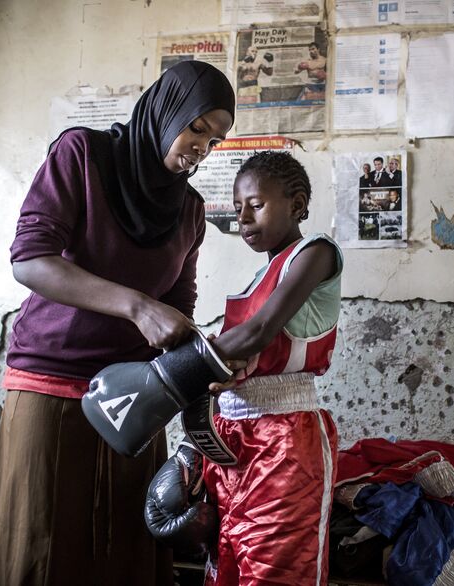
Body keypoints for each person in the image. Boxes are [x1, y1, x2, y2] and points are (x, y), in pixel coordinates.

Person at [0, 61, 236, 586]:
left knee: (124, 553)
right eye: (197, 129)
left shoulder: (188, 210)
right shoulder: (83, 155)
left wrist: (206, 377)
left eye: (215, 141)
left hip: (135, 407)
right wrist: (137, 306)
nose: (201, 149)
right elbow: (30, 259)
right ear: (167, 113)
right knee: (39, 548)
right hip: (51, 386)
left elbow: (178, 312)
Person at [198, 150, 343, 585]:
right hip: (232, 438)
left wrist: (179, 367)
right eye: (237, 207)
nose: (243, 218)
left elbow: (260, 331)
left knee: (276, 571)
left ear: (297, 205)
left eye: (256, 205)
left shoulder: (315, 253)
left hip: (285, 436)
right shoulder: (260, 279)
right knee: (227, 563)